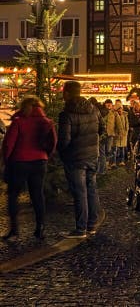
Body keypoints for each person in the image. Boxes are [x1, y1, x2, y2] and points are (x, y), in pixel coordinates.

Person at [1, 96, 56, 241]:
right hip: (40, 162)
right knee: (37, 195)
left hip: (19, 162)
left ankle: (14, 231)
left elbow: (8, 144)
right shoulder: (47, 122)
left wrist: (6, 161)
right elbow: (53, 142)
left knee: (13, 195)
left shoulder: (19, 122)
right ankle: (40, 229)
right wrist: (45, 155)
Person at [58, 80, 102, 239]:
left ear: (67, 93)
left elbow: (64, 140)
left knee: (80, 192)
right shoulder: (94, 109)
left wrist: (61, 153)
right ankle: (92, 225)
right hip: (92, 156)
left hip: (75, 158)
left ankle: (81, 228)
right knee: (91, 189)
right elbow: (101, 129)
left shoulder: (66, 114)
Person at [102, 99, 122, 169]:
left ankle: (107, 163)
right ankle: (104, 164)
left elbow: (118, 123)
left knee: (108, 149)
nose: (109, 105)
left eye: (110, 104)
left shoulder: (114, 113)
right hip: (102, 133)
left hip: (110, 134)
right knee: (102, 150)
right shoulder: (102, 112)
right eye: (107, 104)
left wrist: (120, 132)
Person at [114, 100, 129, 167]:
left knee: (122, 148)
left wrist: (126, 132)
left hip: (123, 134)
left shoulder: (125, 115)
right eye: (119, 109)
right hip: (116, 134)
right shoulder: (114, 115)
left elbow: (127, 124)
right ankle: (114, 162)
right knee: (115, 149)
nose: (120, 110)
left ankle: (122, 161)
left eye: (121, 109)